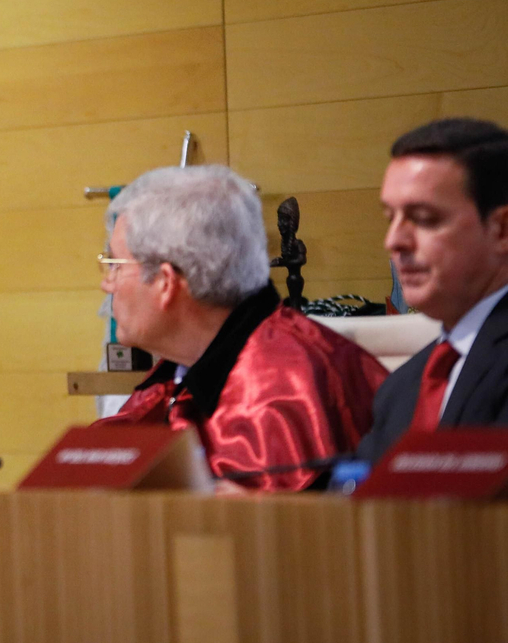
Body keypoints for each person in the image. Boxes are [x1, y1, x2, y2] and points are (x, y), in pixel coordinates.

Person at [96, 165, 386, 492]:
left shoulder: (285, 388)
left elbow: (257, 533)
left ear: (165, 282)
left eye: (115, 266)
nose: (108, 284)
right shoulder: (187, 365)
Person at [358, 118, 508, 464]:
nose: (393, 240)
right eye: (390, 218)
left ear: (502, 229)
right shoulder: (401, 389)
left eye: (424, 218)